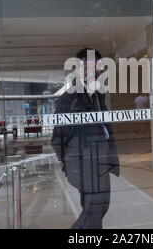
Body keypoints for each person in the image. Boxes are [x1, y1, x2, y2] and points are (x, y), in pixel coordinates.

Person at [51, 48, 120, 229]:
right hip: (82, 162)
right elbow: (57, 135)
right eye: (92, 64)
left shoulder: (98, 95)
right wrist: (67, 161)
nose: (97, 70)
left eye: (98, 65)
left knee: (101, 207)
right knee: (94, 209)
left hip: (101, 159)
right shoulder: (69, 97)